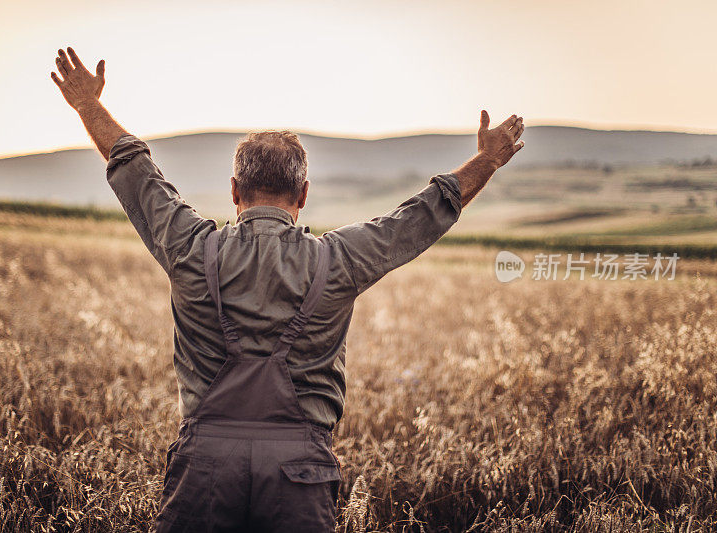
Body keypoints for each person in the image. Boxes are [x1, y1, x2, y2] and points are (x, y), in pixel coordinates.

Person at [50, 46, 524, 533]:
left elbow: (134, 167)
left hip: (204, 467)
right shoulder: (338, 260)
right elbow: (419, 216)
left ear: (235, 191)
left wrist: (88, 105)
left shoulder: (190, 248)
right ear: (303, 195)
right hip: (300, 473)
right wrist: (487, 159)